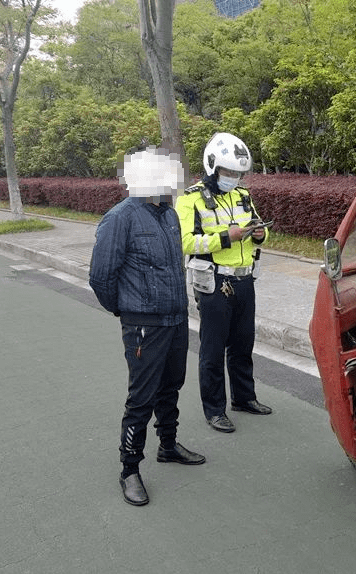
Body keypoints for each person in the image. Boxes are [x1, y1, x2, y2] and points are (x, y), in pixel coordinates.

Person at [90, 146, 205, 507]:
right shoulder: (119, 218)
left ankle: (168, 446)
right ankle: (129, 469)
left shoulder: (169, 215)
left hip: (175, 320)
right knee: (141, 398)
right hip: (144, 325)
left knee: (171, 386)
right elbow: (101, 277)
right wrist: (127, 311)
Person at [175, 132, 272, 434]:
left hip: (244, 279)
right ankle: (214, 409)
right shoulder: (190, 198)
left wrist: (259, 234)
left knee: (244, 344)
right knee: (213, 348)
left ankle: (244, 398)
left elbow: (259, 228)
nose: (234, 178)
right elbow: (185, 241)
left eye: (238, 173)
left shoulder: (242, 196)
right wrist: (224, 238)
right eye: (229, 172)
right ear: (213, 167)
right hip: (214, 282)